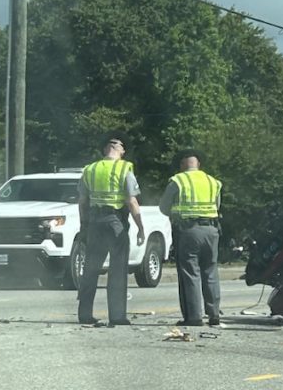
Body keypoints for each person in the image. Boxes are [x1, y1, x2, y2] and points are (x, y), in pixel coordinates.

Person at [76, 135, 145, 326]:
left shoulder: (90, 170)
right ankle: (117, 316)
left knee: (90, 269)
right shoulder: (124, 168)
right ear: (120, 150)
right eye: (124, 148)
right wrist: (141, 228)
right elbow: (131, 201)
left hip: (95, 222)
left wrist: (84, 225)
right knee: (117, 270)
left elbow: (82, 202)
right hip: (115, 222)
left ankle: (84, 314)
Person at [159, 149, 223, 326]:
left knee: (190, 273)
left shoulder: (178, 180)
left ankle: (194, 317)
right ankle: (214, 314)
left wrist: (176, 213)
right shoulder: (213, 182)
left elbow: (164, 207)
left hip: (189, 231)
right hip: (211, 230)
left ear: (182, 165)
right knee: (210, 271)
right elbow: (217, 206)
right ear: (199, 164)